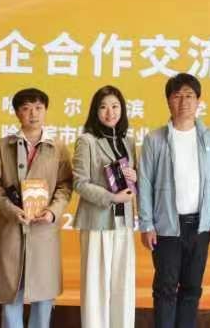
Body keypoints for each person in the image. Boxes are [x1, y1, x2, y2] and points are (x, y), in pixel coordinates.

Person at [138, 73, 210, 328]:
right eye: (177, 96)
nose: (184, 101)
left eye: (189, 96)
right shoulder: (154, 139)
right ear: (168, 101)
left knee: (192, 288)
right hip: (166, 226)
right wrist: (147, 224)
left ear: (198, 101)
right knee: (165, 289)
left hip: (200, 226)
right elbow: (145, 183)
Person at [0, 88, 73, 328]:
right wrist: (9, 208)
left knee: (43, 294)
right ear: (17, 113)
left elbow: (65, 185)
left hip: (44, 230)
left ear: (45, 111)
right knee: (12, 290)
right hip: (12, 226)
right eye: (26, 108)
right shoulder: (3, 146)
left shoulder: (57, 148)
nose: (33, 114)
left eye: (38, 108)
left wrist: (53, 211)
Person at [73, 85, 138, 328]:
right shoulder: (87, 141)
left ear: (122, 109)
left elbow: (131, 182)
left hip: (124, 222)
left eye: (115, 106)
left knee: (123, 284)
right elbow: (80, 183)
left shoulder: (128, 142)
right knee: (96, 286)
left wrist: (135, 177)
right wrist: (112, 198)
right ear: (95, 111)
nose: (110, 112)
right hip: (97, 222)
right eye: (103, 107)